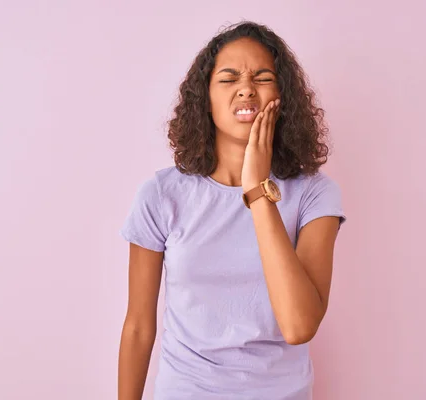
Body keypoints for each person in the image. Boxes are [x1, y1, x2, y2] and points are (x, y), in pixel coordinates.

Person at [118, 21, 347, 400]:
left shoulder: (315, 195)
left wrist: (257, 189)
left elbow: (298, 325)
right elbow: (139, 327)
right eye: (228, 79)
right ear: (204, 98)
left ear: (282, 95)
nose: (246, 88)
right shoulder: (161, 194)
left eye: (262, 77)